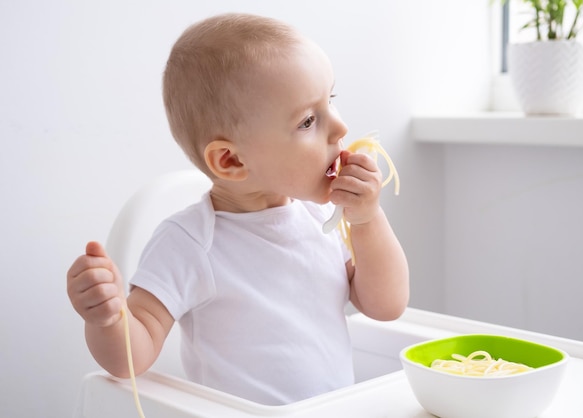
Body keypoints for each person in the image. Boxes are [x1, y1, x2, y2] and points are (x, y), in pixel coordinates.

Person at [66, 12, 409, 406]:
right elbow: (132, 358)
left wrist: (367, 220)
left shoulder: (322, 220)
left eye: (330, 101)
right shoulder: (191, 243)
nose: (340, 128)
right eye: (308, 120)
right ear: (231, 161)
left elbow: (387, 305)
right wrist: (107, 320)